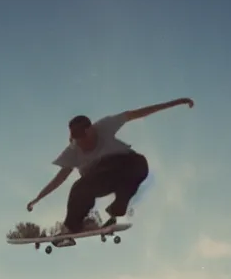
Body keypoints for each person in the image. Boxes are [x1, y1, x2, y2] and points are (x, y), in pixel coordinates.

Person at [26, 97, 194, 242]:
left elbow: (136, 113)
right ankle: (72, 225)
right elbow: (59, 179)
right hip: (98, 180)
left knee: (139, 162)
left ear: (91, 129)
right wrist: (37, 199)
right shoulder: (73, 151)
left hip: (125, 167)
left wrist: (175, 103)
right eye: (79, 142)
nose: (84, 145)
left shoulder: (105, 125)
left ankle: (118, 208)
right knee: (79, 187)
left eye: (86, 139)